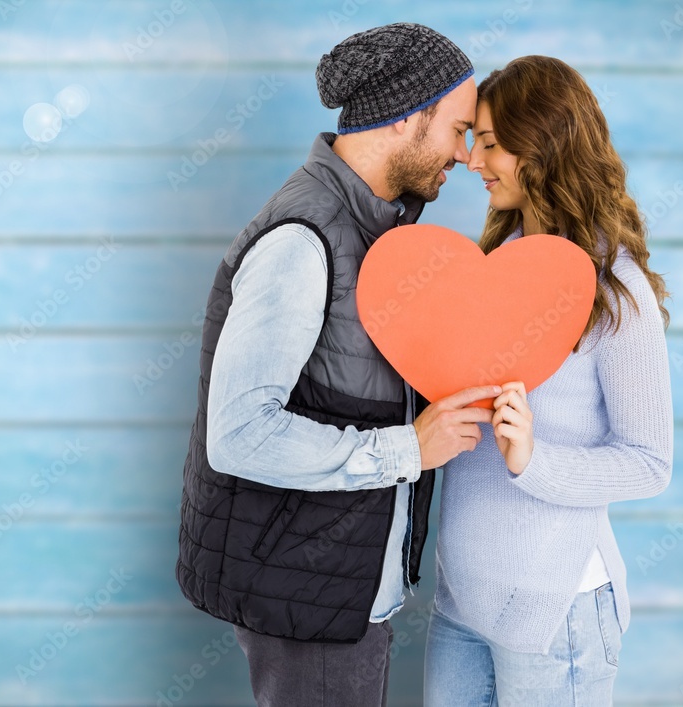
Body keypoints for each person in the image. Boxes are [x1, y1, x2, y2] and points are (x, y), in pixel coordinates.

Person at [176, 23, 500, 707]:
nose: (467, 156)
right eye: (459, 129)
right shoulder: (305, 239)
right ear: (409, 118)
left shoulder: (373, 231)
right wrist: (409, 447)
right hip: (310, 600)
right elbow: (240, 433)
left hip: (339, 591)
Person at [423, 55, 674, 706]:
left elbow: (650, 463)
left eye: (490, 144)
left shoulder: (617, 293)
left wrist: (533, 460)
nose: (472, 163)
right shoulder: (493, 268)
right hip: (459, 601)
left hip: (554, 614)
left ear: (541, 147)